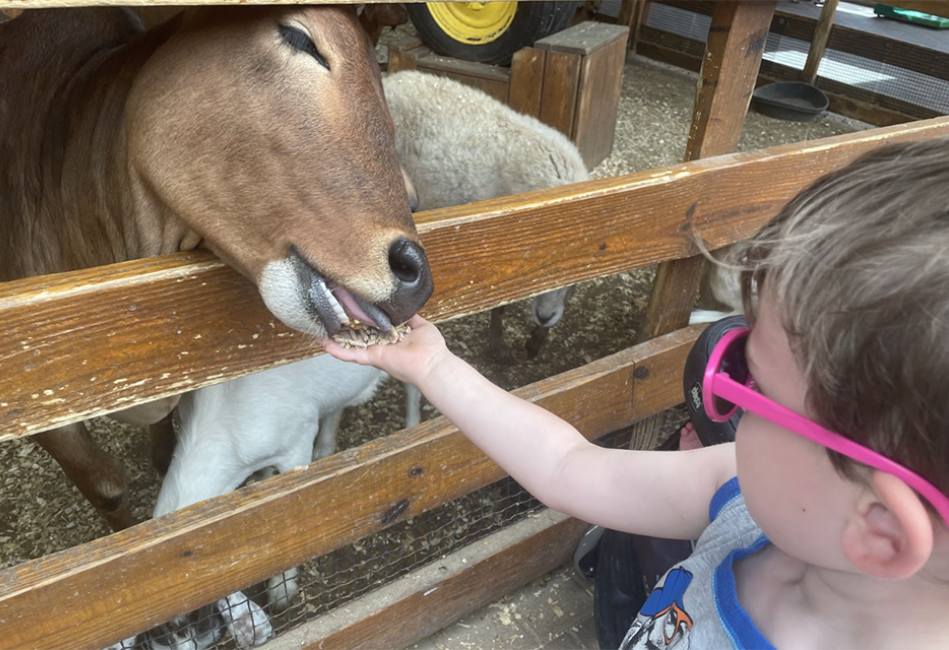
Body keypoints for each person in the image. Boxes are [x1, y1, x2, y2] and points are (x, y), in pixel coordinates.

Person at [322, 137, 949, 649]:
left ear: (883, 528)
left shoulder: (770, 507)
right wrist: (437, 368)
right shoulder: (746, 507)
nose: (719, 394)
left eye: (751, 389)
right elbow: (570, 466)